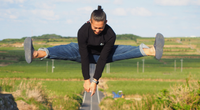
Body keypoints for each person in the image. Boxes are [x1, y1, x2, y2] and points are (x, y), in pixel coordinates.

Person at [24, 5, 164, 96]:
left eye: (100, 28)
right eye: (95, 27)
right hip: (82, 53)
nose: (97, 31)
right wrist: (86, 79)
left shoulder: (110, 35)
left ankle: (151, 51)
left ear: (106, 23)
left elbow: (103, 59)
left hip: (102, 55)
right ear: (90, 22)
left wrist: (95, 81)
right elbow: (84, 56)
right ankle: (35, 53)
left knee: (122, 50)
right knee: (67, 49)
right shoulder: (83, 31)